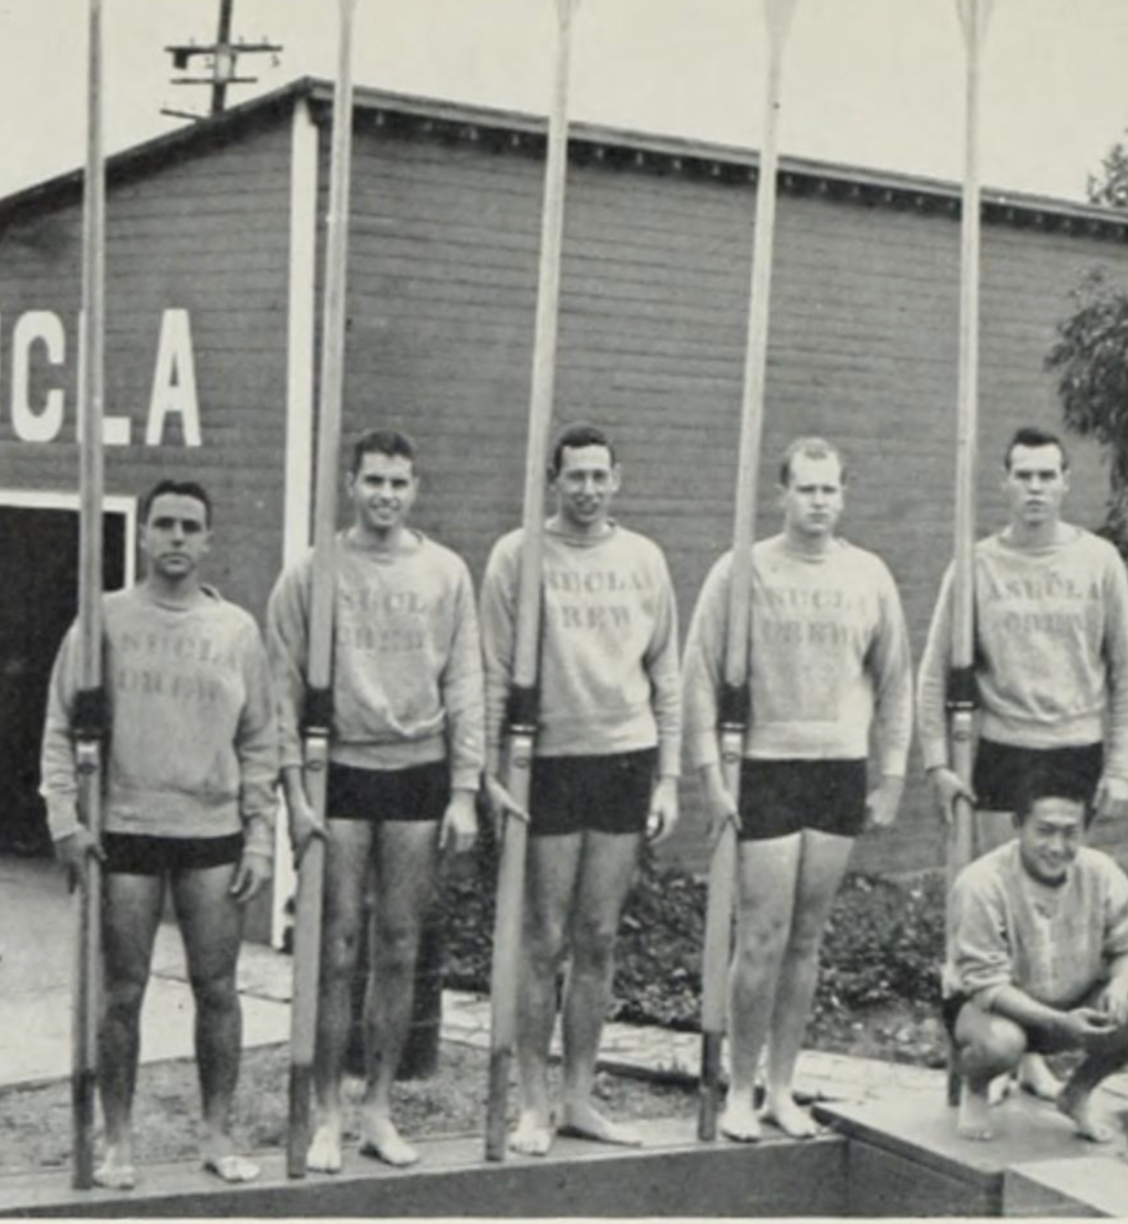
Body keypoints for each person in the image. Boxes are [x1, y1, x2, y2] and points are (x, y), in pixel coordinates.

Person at [40, 480, 276, 1189]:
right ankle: (117, 1141)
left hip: (212, 830)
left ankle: (216, 1132)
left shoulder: (236, 630)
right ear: (142, 535)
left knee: (218, 988)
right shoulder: (100, 620)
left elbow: (261, 738)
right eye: (164, 524)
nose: (177, 538)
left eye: (190, 527)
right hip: (127, 828)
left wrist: (261, 834)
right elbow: (58, 724)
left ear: (209, 540)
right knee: (123, 990)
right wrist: (64, 821)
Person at [683, 437, 913, 1142]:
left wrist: (893, 773)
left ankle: (783, 1087)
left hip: (837, 766)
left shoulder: (869, 574)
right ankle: (739, 1090)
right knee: (761, 935)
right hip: (767, 767)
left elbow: (896, 679)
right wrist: (711, 776)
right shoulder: (742, 570)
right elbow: (696, 675)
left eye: (830, 490)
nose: (819, 502)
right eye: (806, 489)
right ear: (782, 493)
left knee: (806, 939)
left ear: (844, 496)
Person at [266, 428, 484, 1169]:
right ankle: (325, 1109)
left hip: (417, 770)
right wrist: (293, 793)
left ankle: (377, 1109)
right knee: (336, 947)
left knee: (398, 945)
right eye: (373, 481)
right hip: (340, 773)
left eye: (398, 482)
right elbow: (281, 689)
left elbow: (465, 685)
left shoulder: (446, 573)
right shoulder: (313, 573)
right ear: (351, 485)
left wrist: (462, 791)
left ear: (414, 489)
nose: (385, 495)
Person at [917, 426, 1128, 1100]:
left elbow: (1127, 671)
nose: (1036, 489)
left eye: (1048, 476)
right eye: (1024, 476)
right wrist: (936, 763)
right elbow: (935, 675)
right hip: (1004, 751)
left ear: (1066, 483)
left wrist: (1121, 765)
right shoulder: (976, 563)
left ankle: (1040, 1055)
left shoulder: (1099, 561)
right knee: (1004, 908)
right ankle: (1003, 1052)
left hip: (1076, 748)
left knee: (1061, 909)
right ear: (1006, 482)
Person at [478, 423, 683, 1156]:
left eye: (601, 476)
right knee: (543, 938)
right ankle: (532, 1103)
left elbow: (667, 674)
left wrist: (668, 778)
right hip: (547, 763)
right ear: (552, 480)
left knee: (597, 938)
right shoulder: (518, 555)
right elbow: (494, 672)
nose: (588, 490)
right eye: (576, 477)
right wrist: (492, 772)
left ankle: (578, 1097)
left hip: (623, 757)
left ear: (617, 479)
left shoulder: (643, 559)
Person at [943, 791, 1128, 1143]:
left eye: (1070, 832)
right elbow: (985, 985)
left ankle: (1076, 1094)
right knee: (1001, 1044)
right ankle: (976, 1088)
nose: (1057, 846)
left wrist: (1119, 987)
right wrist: (1058, 1021)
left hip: (1072, 999)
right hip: (996, 1009)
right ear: (1018, 826)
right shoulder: (981, 882)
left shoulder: (1101, 872)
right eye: (1044, 831)